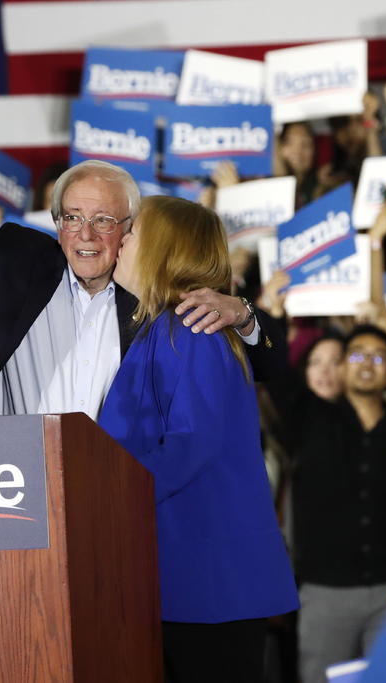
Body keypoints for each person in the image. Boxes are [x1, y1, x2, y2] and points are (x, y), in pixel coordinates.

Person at [0, 158, 284, 420]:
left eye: (103, 220)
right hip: (14, 480)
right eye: (72, 217)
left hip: (122, 484)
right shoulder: (17, 265)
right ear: (57, 222)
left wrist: (245, 317)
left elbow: (266, 364)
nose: (86, 234)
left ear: (130, 229)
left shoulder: (155, 290)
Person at [97, 196, 298, 682]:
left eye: (133, 232)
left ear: (165, 249)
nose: (120, 240)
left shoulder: (190, 328)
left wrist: (103, 495)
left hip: (204, 579)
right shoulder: (166, 328)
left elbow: (192, 442)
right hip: (186, 575)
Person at [270, 324, 386, 683]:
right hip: (326, 592)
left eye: (378, 357)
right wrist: (262, 316)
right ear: (344, 367)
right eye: (358, 354)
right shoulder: (309, 418)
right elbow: (273, 367)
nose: (367, 363)